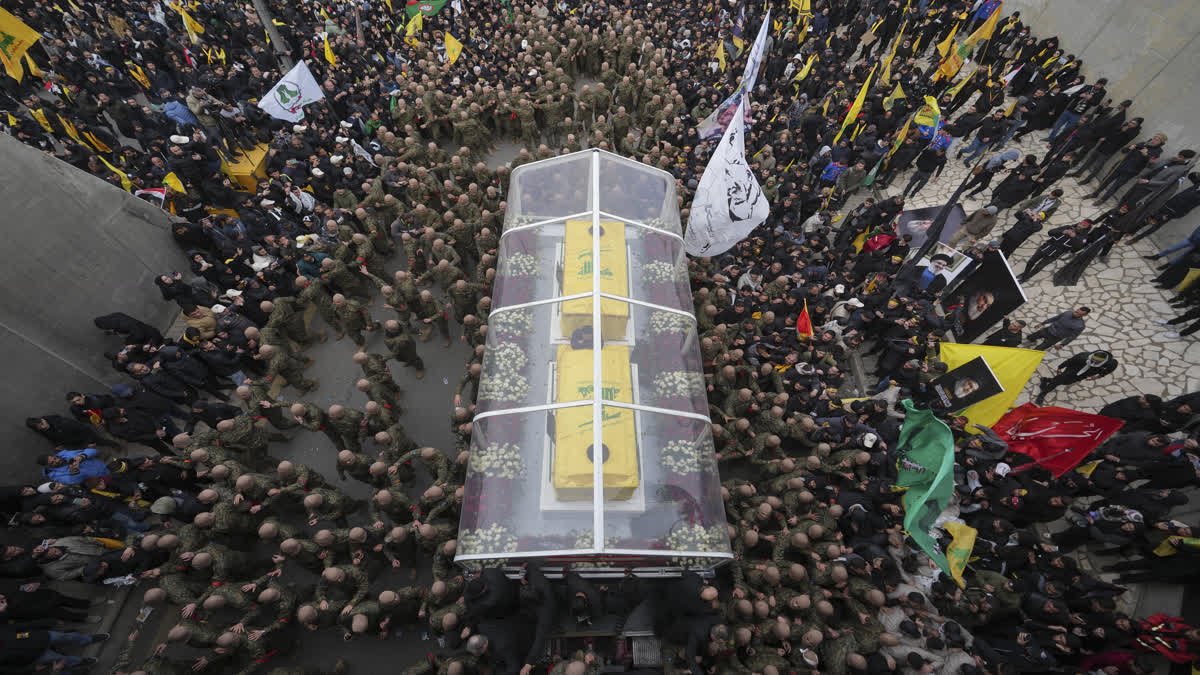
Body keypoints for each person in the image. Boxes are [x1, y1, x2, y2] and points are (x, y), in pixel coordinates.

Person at [1036, 350, 1119, 404]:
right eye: (1093, 359)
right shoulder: (1083, 356)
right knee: (1057, 381)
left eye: (1097, 361)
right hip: (1071, 370)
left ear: (1103, 361)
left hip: (1083, 375)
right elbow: (1070, 361)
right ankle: (1043, 393)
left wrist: (1099, 376)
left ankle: (1046, 379)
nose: (1093, 361)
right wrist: (1060, 367)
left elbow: (1109, 370)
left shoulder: (1111, 363)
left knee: (1066, 382)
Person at [1024, 307, 1090, 350]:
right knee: (1030, 337)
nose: (1075, 314)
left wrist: (1062, 345)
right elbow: (1055, 318)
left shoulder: (1080, 325)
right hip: (1048, 330)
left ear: (1084, 315)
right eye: (1076, 311)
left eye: (1078, 314)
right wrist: (1043, 323)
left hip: (1055, 338)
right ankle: (1032, 340)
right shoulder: (1067, 313)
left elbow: (1073, 337)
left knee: (1038, 350)